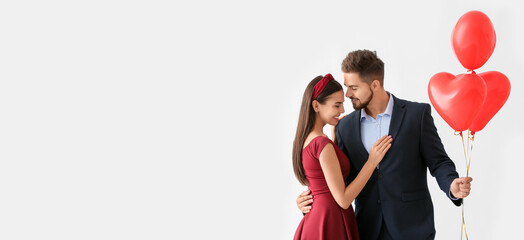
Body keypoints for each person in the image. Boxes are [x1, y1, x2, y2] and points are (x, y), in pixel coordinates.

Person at [296, 50, 473, 240]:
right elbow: (340, 180)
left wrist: (452, 185)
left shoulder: (416, 115)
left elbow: (438, 162)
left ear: (375, 84)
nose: (347, 94)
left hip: (413, 230)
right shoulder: (344, 127)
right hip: (366, 230)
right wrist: (310, 200)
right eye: (347, 87)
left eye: (354, 88)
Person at [292, 73, 393, 240]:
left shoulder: (307, 140)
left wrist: (334, 141)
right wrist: (371, 161)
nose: (342, 110)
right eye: (337, 105)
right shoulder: (322, 144)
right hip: (331, 219)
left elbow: (321, 176)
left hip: (318, 218)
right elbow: (344, 199)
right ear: (316, 106)